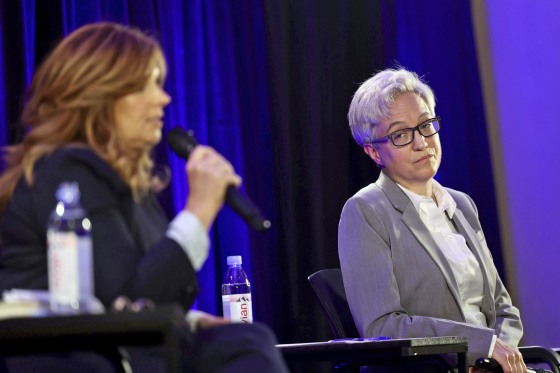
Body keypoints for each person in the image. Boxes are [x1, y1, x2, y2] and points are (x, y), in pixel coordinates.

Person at [0, 22, 288, 373]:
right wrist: (198, 210)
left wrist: (192, 320)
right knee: (243, 348)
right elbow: (129, 301)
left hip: (113, 348)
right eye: (147, 85)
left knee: (243, 341)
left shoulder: (127, 185)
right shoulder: (68, 167)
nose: (163, 98)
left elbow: (136, 292)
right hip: (65, 357)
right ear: (100, 94)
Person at [338, 68, 526, 373]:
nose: (421, 142)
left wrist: (492, 359)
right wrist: (482, 347)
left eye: (426, 125)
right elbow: (382, 326)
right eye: (400, 134)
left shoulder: (462, 205)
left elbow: (504, 309)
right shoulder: (366, 210)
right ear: (373, 151)